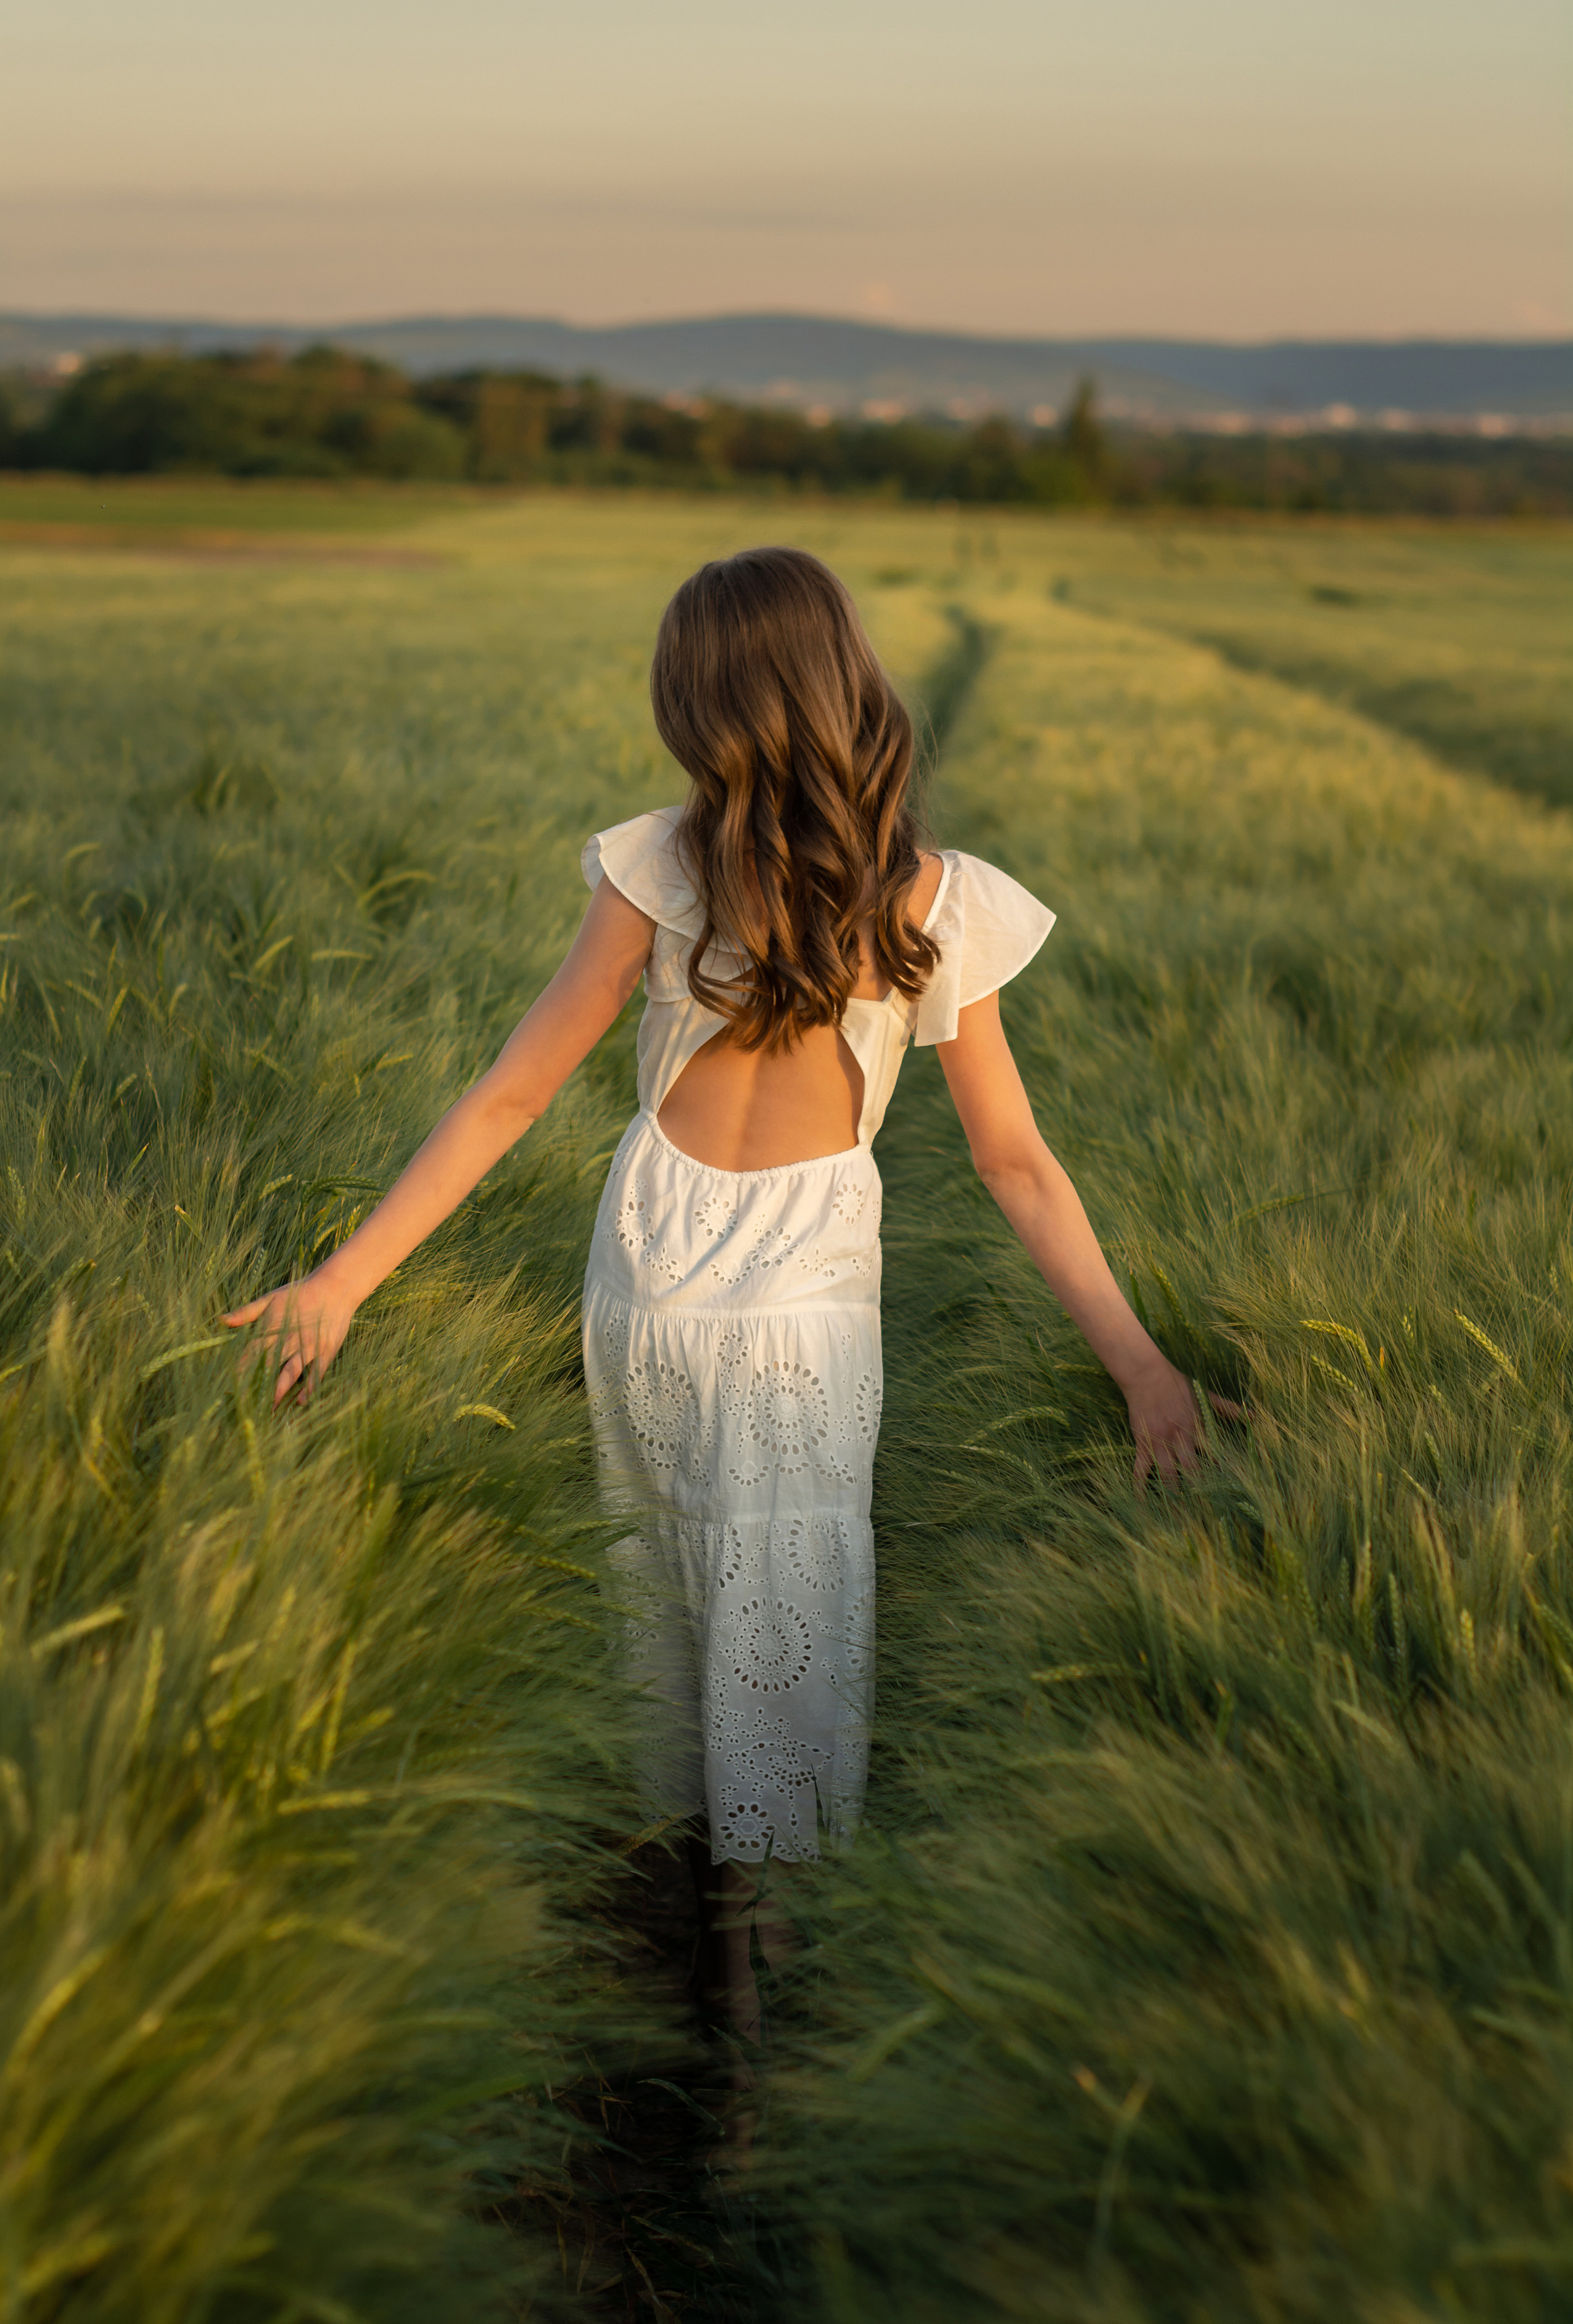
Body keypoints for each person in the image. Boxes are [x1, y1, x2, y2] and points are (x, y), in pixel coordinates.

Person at [226, 545, 1223, 2111]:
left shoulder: (658, 870)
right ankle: (757, 2033)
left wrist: (343, 1280)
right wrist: (1143, 1368)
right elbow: (1014, 1166)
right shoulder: (929, 904)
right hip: (797, 1320)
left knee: (664, 1582)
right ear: (845, 687)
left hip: (644, 1277)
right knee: (786, 1634)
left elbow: (508, 1095)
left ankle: (663, 1906)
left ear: (701, 709)